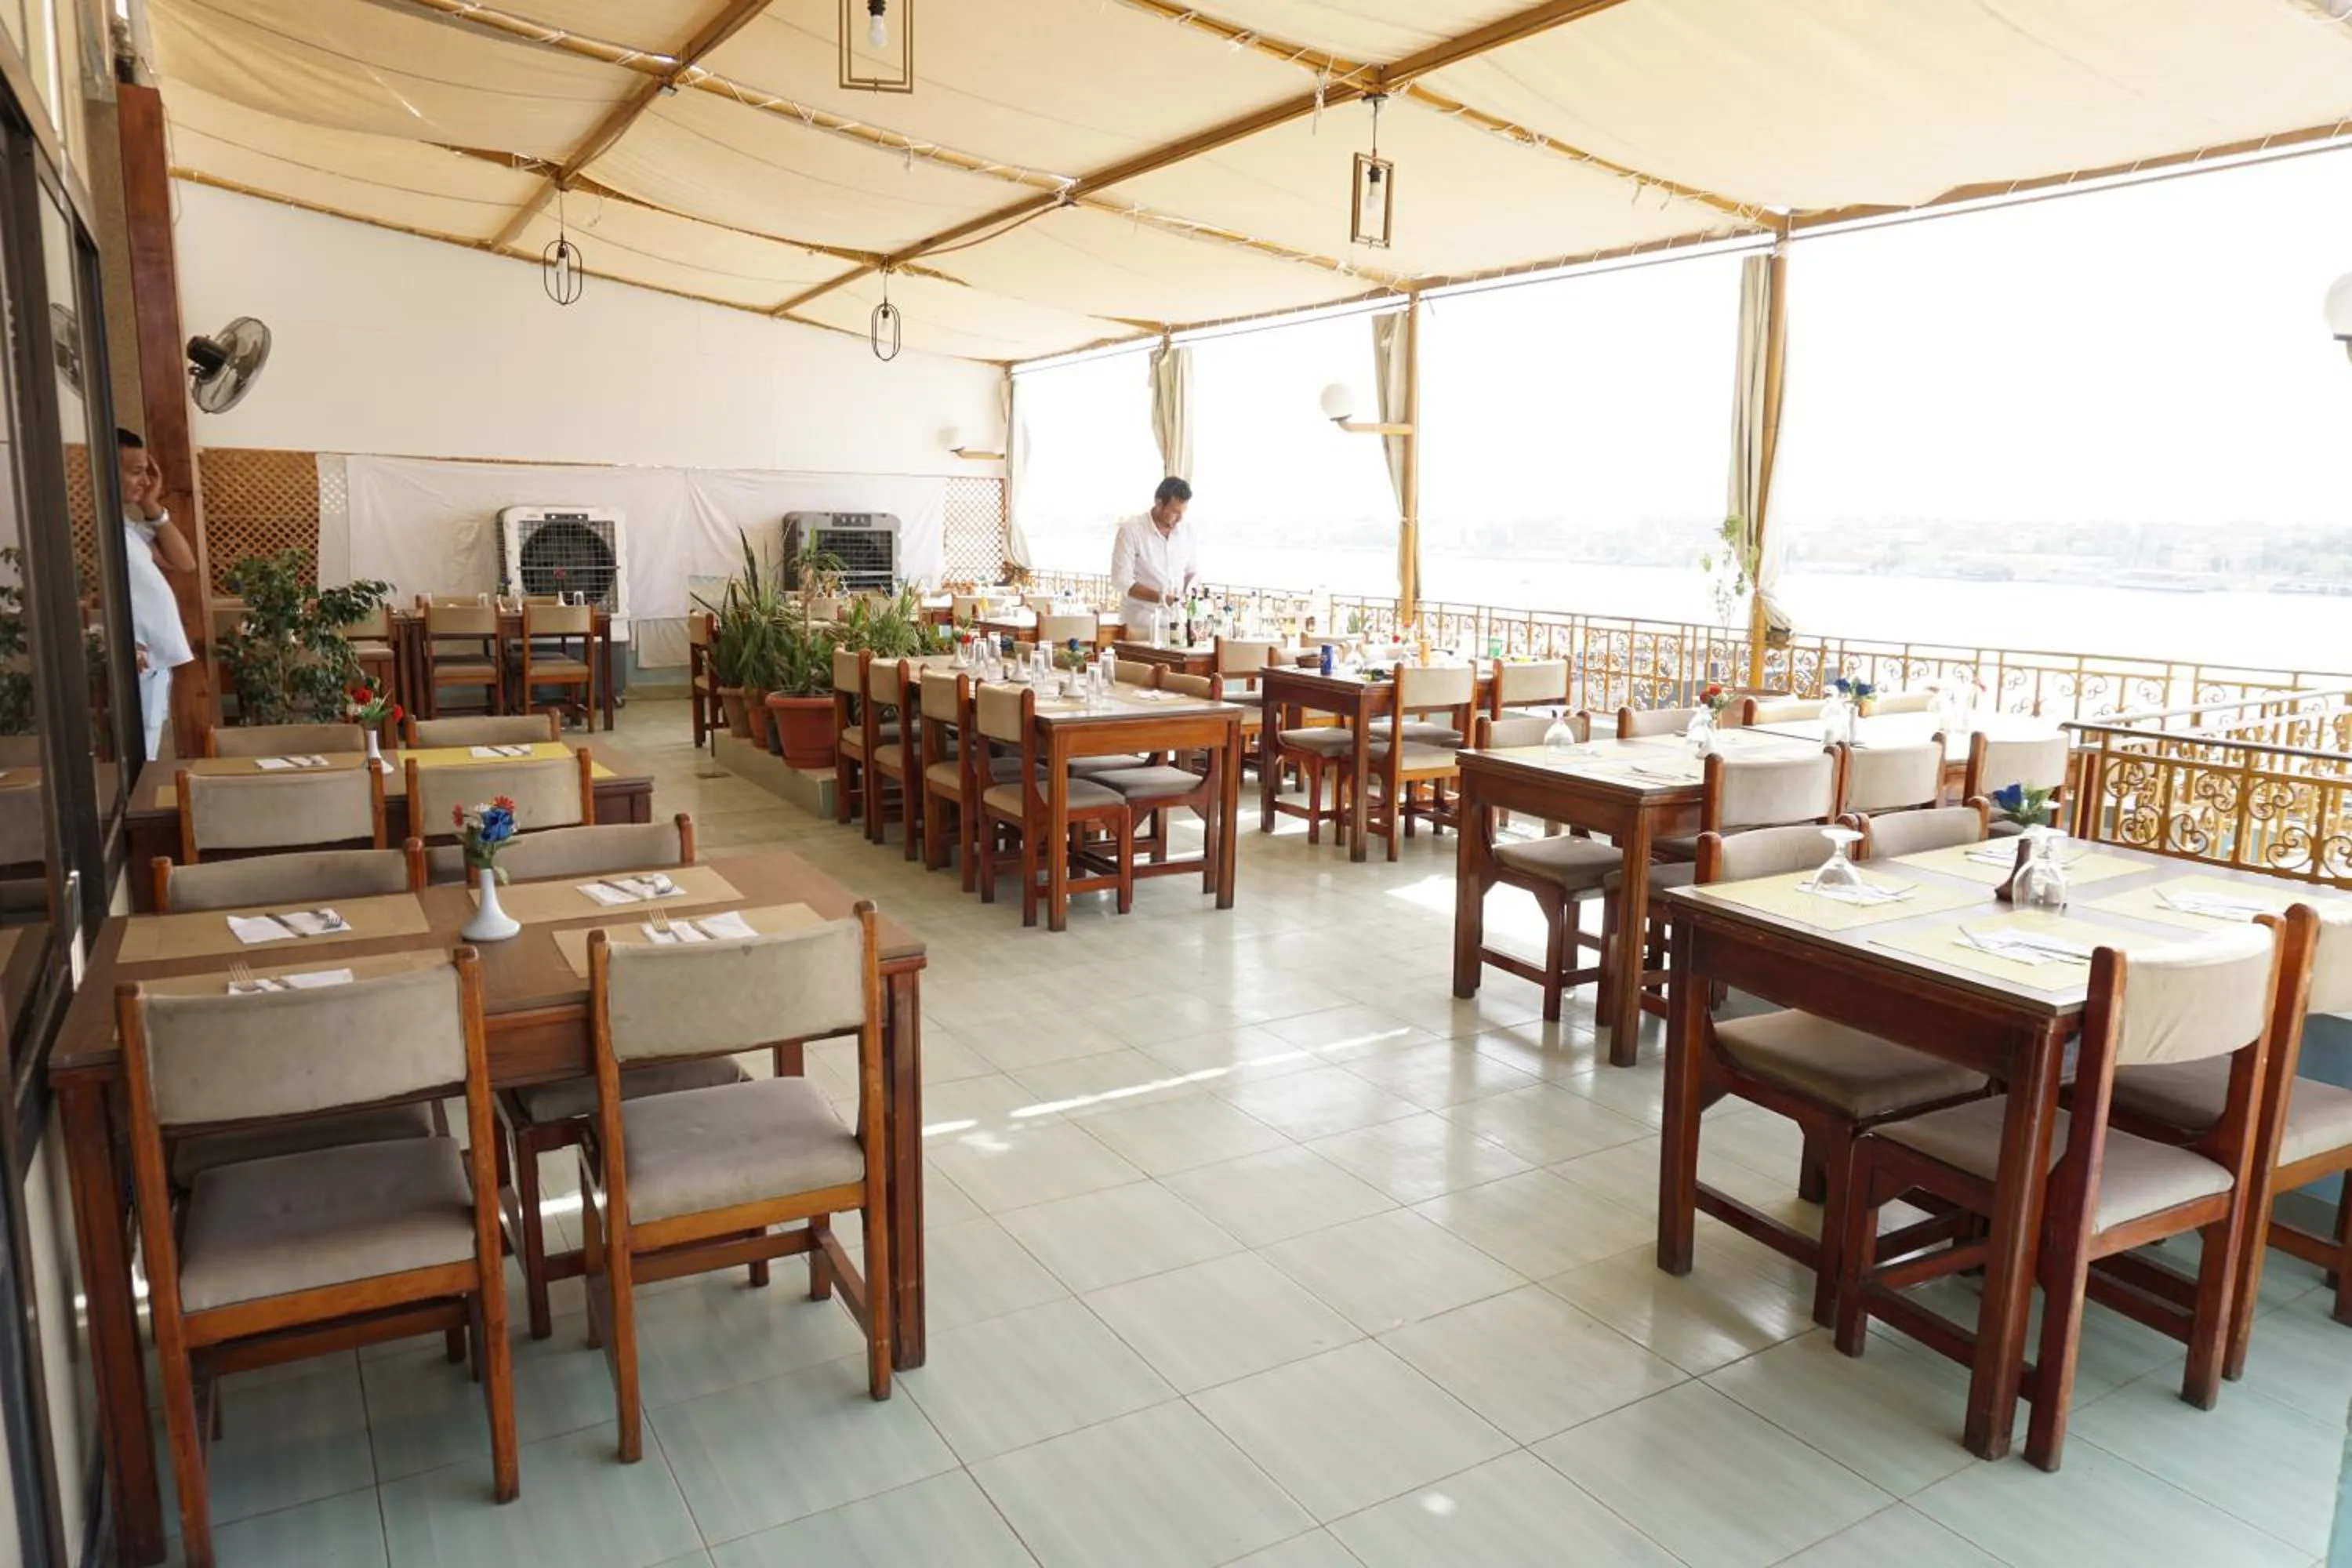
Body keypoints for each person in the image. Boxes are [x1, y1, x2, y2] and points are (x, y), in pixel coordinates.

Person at [118, 429, 195, 760]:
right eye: (136, 472)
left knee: (147, 750)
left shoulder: (127, 530)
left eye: (147, 473)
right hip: (134, 659)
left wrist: (151, 504)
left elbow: (184, 562)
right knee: (135, 758)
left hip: (152, 662)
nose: (145, 481)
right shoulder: (101, 530)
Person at [1111, 477, 1198, 638]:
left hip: (1177, 621)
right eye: (1175, 512)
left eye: (1183, 512)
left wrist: (1188, 593)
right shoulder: (1132, 529)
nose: (1180, 519)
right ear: (1159, 503)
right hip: (1140, 623)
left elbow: (1192, 572)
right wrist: (1161, 598)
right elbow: (1121, 580)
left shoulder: (1187, 531)